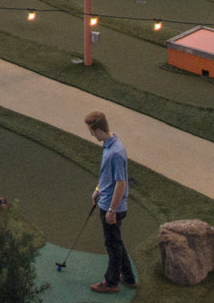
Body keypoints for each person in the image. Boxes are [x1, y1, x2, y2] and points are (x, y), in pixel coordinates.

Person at [84, 110, 135, 294]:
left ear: (98, 129)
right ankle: (128, 277)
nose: (90, 134)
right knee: (117, 242)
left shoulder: (115, 152)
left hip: (113, 207)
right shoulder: (109, 144)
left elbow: (121, 184)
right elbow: (108, 177)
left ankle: (111, 283)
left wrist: (112, 210)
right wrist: (98, 190)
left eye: (90, 130)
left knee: (112, 246)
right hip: (105, 201)